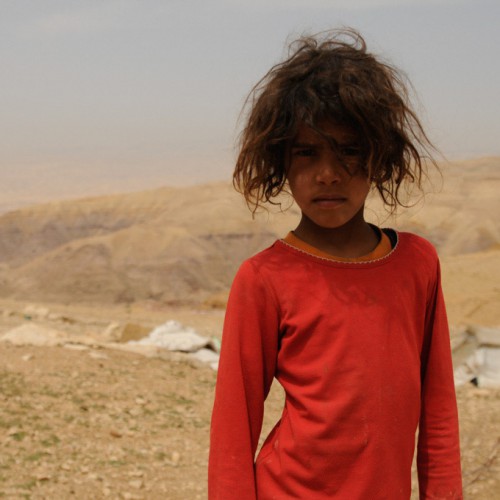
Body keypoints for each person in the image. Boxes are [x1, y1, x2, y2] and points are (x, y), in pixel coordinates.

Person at [209, 29, 462, 499]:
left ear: (380, 156)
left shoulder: (417, 263)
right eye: (306, 152)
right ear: (280, 162)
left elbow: (439, 408)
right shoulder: (264, 279)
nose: (328, 173)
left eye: (349, 150)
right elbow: (232, 426)